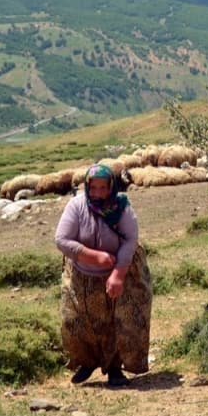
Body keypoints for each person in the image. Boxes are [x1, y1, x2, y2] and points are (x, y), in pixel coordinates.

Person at [54, 164, 151, 386]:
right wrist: (92, 256)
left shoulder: (122, 206)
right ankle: (87, 362)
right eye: (93, 187)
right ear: (87, 187)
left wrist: (118, 273)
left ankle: (115, 368)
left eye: (103, 188)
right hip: (82, 272)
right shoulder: (76, 206)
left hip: (121, 268)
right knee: (77, 319)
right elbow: (62, 239)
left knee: (118, 320)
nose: (98, 193)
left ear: (111, 187)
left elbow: (130, 239)